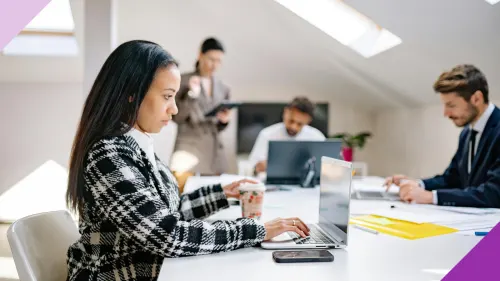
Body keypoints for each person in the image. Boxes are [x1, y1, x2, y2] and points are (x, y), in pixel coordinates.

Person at [65, 40, 310, 281]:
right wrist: (257, 230)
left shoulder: (138, 145)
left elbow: (167, 212)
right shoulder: (108, 155)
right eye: (167, 96)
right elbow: (167, 234)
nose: (173, 109)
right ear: (131, 95)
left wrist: (222, 194)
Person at [384, 64, 500, 208]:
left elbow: (494, 193)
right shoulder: (467, 133)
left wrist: (431, 197)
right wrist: (419, 184)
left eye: (451, 105)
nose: (446, 113)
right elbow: (452, 178)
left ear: (476, 98)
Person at [172, 37, 231, 175]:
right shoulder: (182, 80)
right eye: (211, 59)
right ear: (200, 55)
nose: (214, 65)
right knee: (184, 192)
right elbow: (177, 117)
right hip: (189, 151)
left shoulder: (223, 88)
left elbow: (219, 126)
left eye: (219, 61)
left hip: (215, 154)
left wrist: (224, 121)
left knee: (218, 194)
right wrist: (192, 95)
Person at [248, 96, 326, 175]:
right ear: (285, 113)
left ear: (308, 121)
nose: (294, 127)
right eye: (291, 121)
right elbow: (252, 169)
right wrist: (259, 167)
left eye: (300, 124)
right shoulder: (267, 134)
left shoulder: (317, 137)